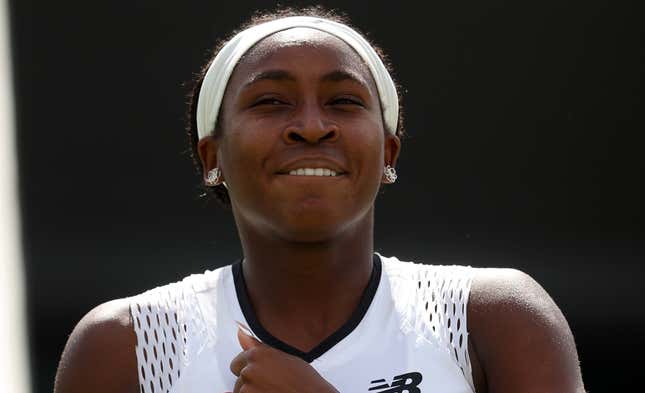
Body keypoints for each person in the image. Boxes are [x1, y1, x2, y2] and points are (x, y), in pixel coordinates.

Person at [54, 7, 585, 393]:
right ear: (212, 155)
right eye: (271, 102)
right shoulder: (128, 344)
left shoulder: (492, 317)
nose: (310, 126)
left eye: (343, 101)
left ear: (387, 152)